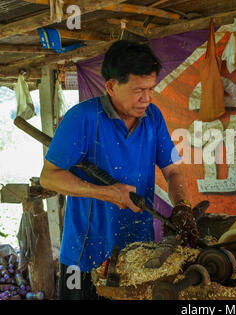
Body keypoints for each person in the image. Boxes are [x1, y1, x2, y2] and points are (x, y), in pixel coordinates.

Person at [40, 40, 199, 300]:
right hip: (86, 257)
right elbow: (49, 177)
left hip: (139, 255)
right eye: (139, 90)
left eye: (151, 89)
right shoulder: (82, 119)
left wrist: (182, 206)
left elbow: (173, 171)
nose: (147, 98)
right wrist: (107, 193)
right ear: (111, 86)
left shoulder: (153, 117)